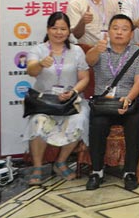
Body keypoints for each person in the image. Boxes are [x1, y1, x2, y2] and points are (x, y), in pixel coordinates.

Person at [23, 12, 90, 185]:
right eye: (54, 28)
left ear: (69, 31)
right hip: (44, 101)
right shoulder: (38, 50)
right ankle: (37, 167)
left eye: (63, 29)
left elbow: (84, 78)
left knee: (80, 119)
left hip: (70, 100)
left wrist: (73, 92)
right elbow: (31, 71)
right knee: (38, 121)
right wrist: (40, 64)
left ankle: (61, 162)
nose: (59, 32)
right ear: (48, 29)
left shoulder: (76, 51)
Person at [85, 14, 139, 191]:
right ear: (109, 31)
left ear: (131, 34)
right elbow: (89, 61)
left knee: (135, 123)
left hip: (128, 102)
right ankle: (97, 171)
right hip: (103, 103)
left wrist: (128, 99)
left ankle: (130, 172)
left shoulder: (138, 52)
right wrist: (96, 49)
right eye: (115, 28)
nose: (119, 32)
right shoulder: (100, 49)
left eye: (124, 29)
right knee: (97, 124)